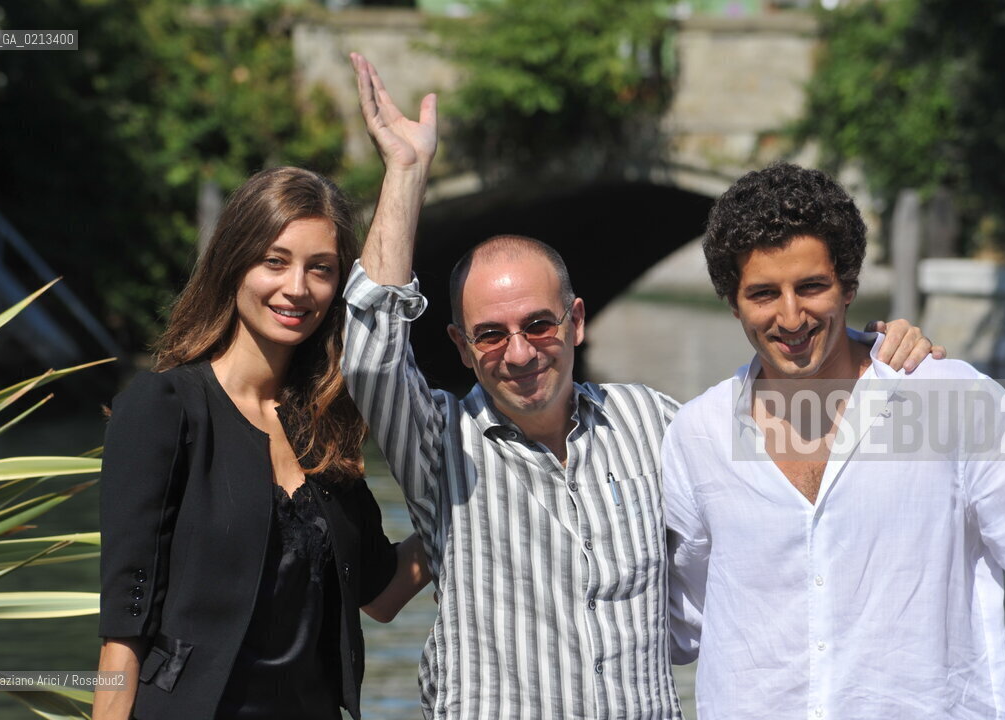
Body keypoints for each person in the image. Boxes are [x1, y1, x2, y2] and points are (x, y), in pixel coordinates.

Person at [341, 56, 941, 719]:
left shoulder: (656, 422)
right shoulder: (438, 448)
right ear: (461, 347)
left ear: (575, 322)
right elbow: (371, 357)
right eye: (490, 334)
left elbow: (796, 440)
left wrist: (879, 356)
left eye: (539, 324)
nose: (518, 352)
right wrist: (404, 172)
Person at [664, 162, 1005, 719]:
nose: (791, 316)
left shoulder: (951, 401)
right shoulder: (696, 435)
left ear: (849, 285)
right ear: (733, 302)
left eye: (812, 287)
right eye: (764, 294)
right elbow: (681, 620)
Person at [93, 166, 429, 720]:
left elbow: (381, 592)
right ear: (233, 263)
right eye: (275, 261)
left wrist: (471, 507)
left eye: (320, 269)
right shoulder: (163, 407)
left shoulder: (324, 421)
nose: (297, 288)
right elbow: (124, 632)